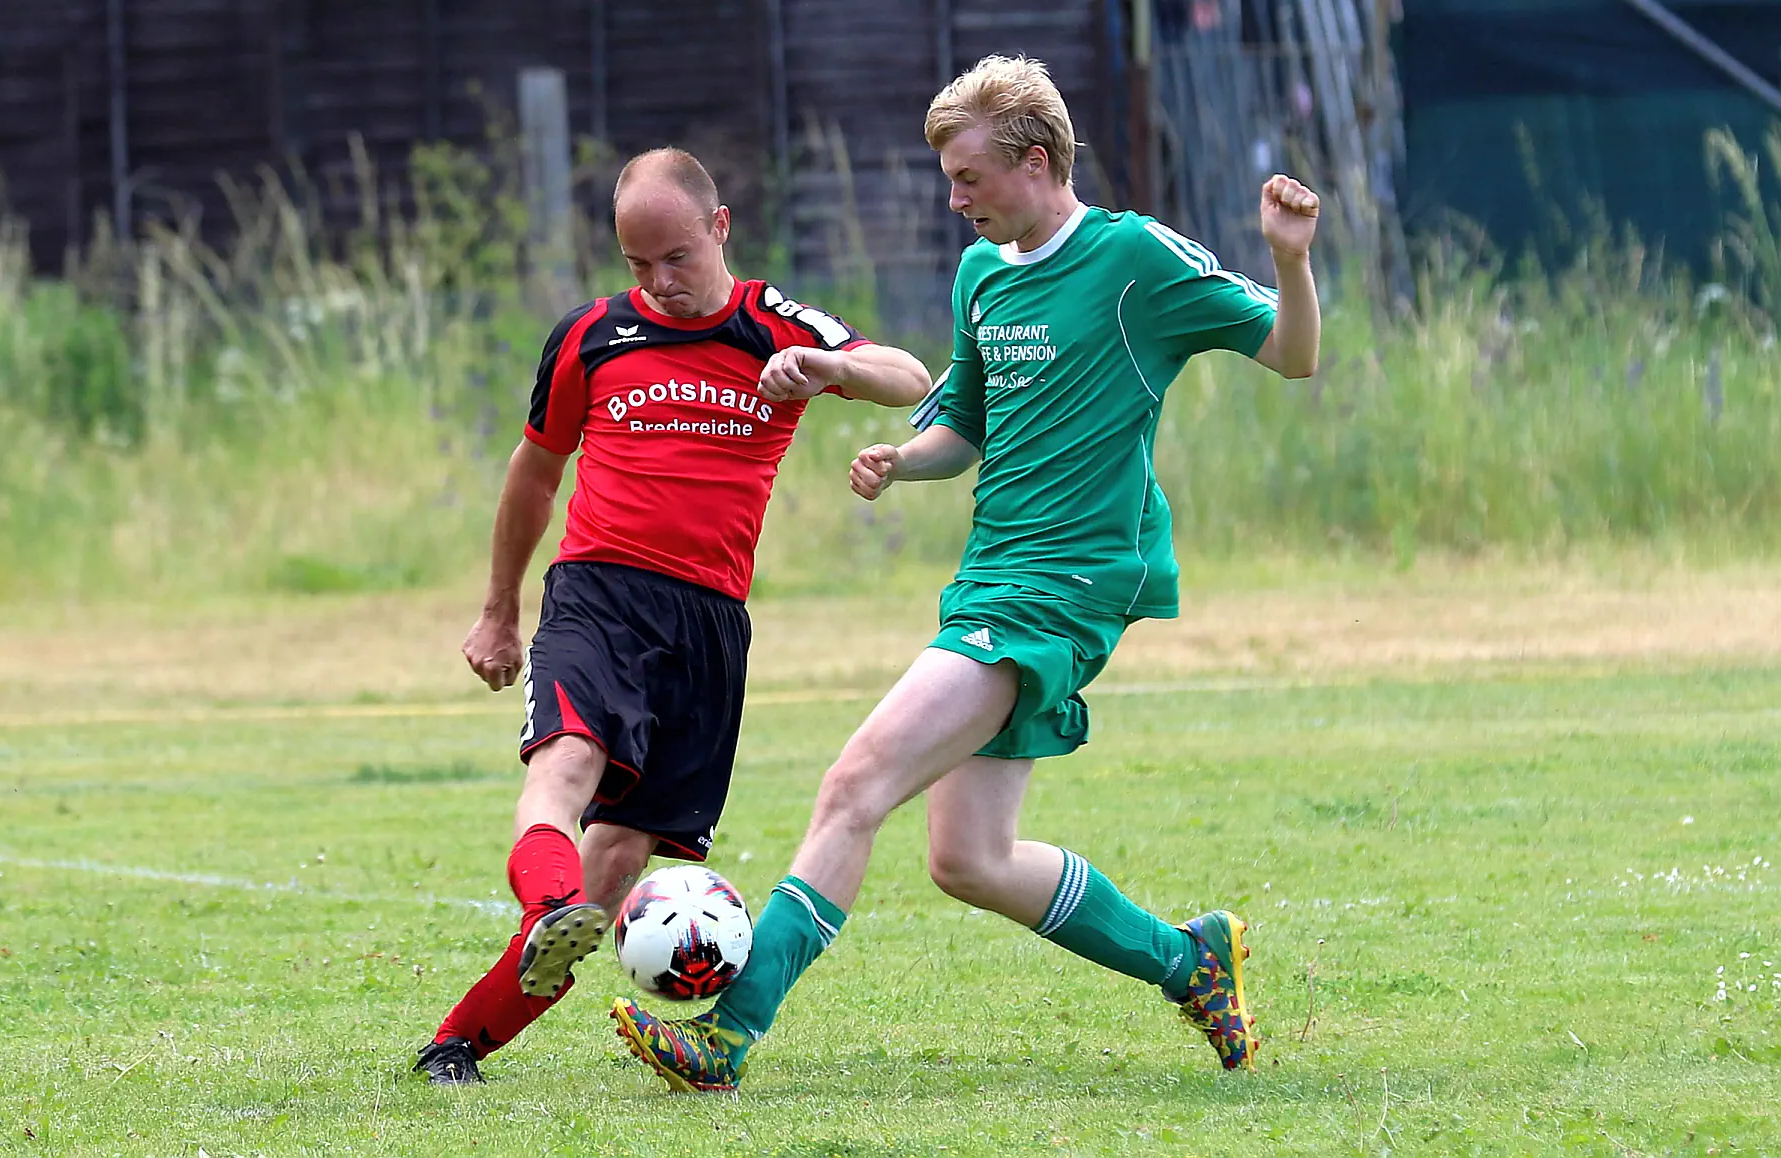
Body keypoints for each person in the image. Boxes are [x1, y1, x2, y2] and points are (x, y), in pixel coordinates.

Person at [610, 55, 1321, 1092]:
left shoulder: (1134, 260)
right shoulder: (982, 274)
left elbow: (1295, 355)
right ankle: (1191, 961)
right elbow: (965, 427)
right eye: (948, 179)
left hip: (1065, 586)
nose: (954, 200)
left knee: (855, 784)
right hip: (993, 576)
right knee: (970, 858)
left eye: (968, 178)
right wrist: (904, 459)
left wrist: (1290, 261)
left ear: (1035, 161)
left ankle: (726, 1038)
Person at [412, 147, 932, 1084]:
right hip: (598, 594)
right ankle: (545, 912)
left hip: (708, 626)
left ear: (720, 227)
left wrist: (822, 365)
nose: (659, 281)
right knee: (565, 765)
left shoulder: (775, 325)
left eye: (677, 257)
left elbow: (909, 376)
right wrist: (498, 612)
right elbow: (535, 475)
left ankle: (461, 1043)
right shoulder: (591, 336)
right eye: (638, 262)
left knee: (615, 864)